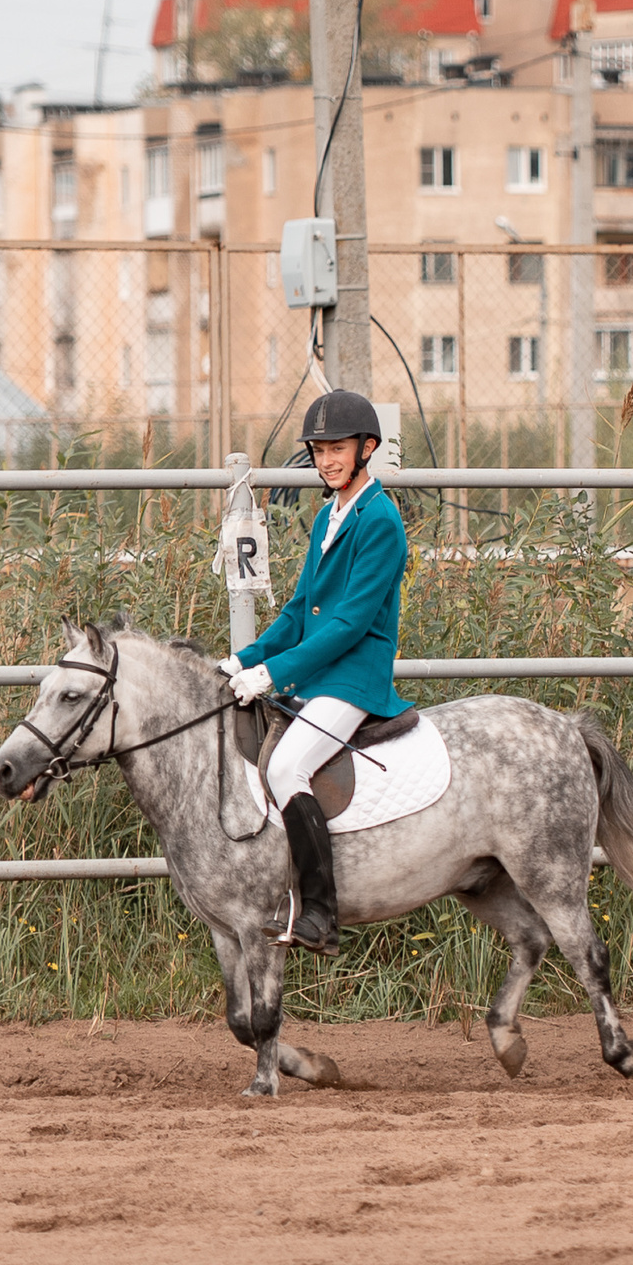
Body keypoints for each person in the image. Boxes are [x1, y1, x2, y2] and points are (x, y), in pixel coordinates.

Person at [220, 390, 416, 954]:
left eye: (338, 449)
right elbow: (297, 611)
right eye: (320, 450)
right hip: (318, 674)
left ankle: (321, 913)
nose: (327, 460)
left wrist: (273, 675)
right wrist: (245, 658)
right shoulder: (329, 515)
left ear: (367, 449)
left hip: (355, 676)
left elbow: (349, 624)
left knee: (284, 769)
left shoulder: (379, 519)